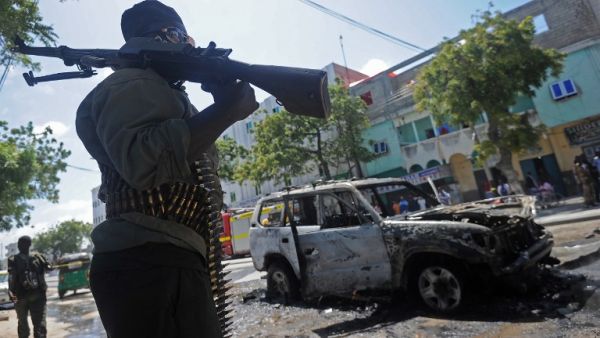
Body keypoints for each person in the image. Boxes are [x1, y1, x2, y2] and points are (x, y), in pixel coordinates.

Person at [75, 1, 258, 337]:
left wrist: (220, 105)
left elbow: (192, 171)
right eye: (183, 38)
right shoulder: (131, 83)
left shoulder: (164, 93)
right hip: (148, 261)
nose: (191, 46)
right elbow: (144, 163)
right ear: (167, 36)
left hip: (169, 257)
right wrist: (227, 111)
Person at [8, 236, 52, 338]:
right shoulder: (38, 257)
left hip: (20, 297)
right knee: (39, 325)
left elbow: (11, 279)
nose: (19, 245)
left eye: (20, 243)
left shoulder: (13, 259)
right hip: (37, 296)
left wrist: (11, 294)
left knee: (24, 326)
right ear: (30, 245)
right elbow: (50, 268)